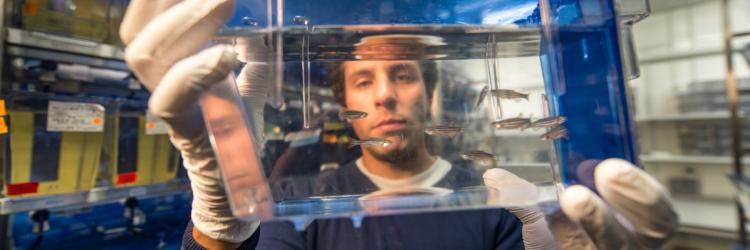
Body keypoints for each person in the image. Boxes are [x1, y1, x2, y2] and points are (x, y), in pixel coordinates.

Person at [120, 1, 679, 249]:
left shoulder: (501, 201)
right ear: (344, 104)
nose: (385, 93)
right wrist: (217, 233)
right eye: (364, 80)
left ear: (432, 94)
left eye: (404, 74)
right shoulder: (297, 199)